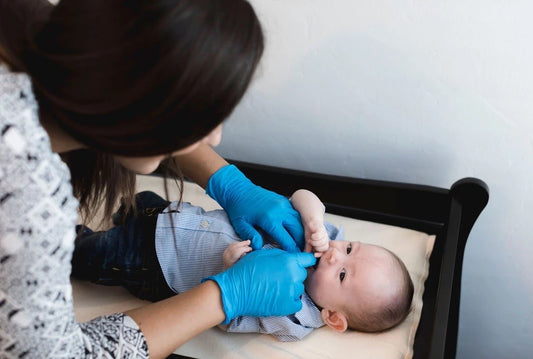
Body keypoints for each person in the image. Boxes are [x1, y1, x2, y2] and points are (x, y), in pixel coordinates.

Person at [0, 1, 317, 358]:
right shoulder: (27, 192)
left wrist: (230, 182)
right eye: (204, 117)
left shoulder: (29, 26)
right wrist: (225, 296)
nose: (215, 139)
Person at [71, 189, 414, 341]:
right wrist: (313, 217)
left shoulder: (292, 316)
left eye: (342, 274)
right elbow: (302, 196)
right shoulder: (324, 236)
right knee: (137, 204)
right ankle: (121, 220)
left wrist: (230, 269)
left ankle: (67, 241)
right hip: (178, 216)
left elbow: (228, 320)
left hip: (156, 264)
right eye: (351, 248)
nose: (337, 253)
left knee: (88, 253)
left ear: (333, 317)